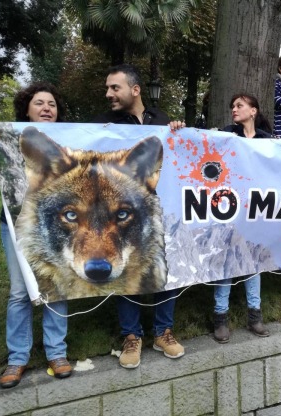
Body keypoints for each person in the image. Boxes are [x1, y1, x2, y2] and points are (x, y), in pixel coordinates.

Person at [93, 64, 185, 368]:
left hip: (161, 210)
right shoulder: (103, 124)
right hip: (122, 216)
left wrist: (180, 133)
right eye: (107, 88)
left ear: (135, 90)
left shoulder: (161, 120)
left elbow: (179, 159)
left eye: (114, 88)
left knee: (167, 269)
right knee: (127, 271)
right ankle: (131, 336)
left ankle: (163, 331)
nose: (108, 94)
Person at [0, 82, 71, 388]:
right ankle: (17, 358)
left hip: (58, 227)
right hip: (16, 225)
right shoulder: (6, 139)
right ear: (26, 109)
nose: (46, 108)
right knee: (18, 292)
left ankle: (57, 352)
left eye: (51, 103)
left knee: (56, 286)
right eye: (39, 103)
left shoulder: (68, 142)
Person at [213, 94, 271, 343]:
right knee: (226, 261)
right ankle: (220, 316)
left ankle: (255, 315)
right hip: (230, 207)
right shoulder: (226, 134)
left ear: (253, 111)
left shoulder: (268, 139)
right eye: (232, 106)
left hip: (256, 210)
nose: (234, 109)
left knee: (253, 261)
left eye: (239, 105)